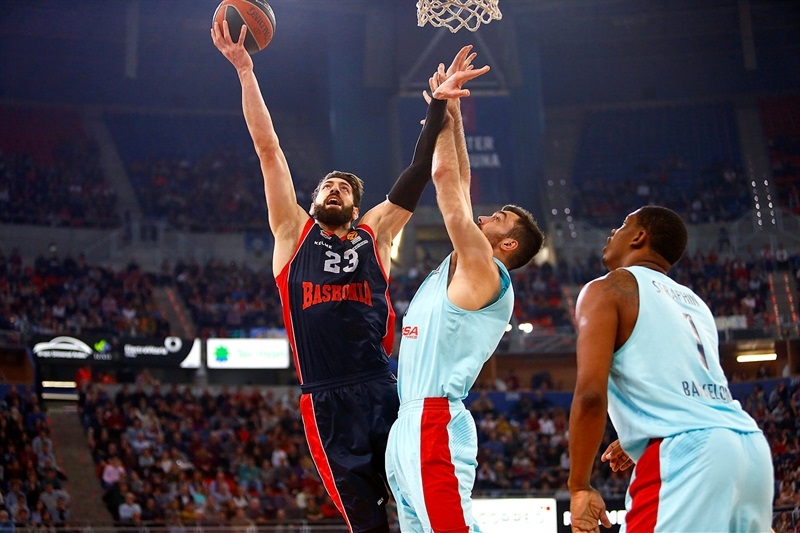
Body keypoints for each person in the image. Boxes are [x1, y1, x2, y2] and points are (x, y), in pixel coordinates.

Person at [211, 22, 475, 533]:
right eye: (326, 186)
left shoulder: (375, 231)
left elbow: (420, 169)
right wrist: (245, 70)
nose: (333, 190)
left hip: (381, 387)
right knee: (367, 523)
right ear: (312, 201)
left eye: (343, 189)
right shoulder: (291, 232)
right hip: (325, 398)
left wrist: (439, 107)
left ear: (357, 207)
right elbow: (269, 151)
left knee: (420, 503)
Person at [384, 58, 545, 532]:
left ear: (508, 245)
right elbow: (463, 182)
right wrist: (451, 115)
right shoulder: (463, 262)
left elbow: (448, 185)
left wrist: (439, 106)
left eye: (500, 218)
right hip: (408, 422)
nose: (488, 215)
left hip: (434, 416)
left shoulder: (486, 270)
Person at [567, 206, 774, 533]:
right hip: (749, 450)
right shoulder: (694, 302)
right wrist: (644, 428)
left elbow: (591, 395)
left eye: (623, 224)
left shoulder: (607, 289)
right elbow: (692, 385)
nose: (613, 232)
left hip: (688, 454)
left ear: (639, 237)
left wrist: (579, 485)